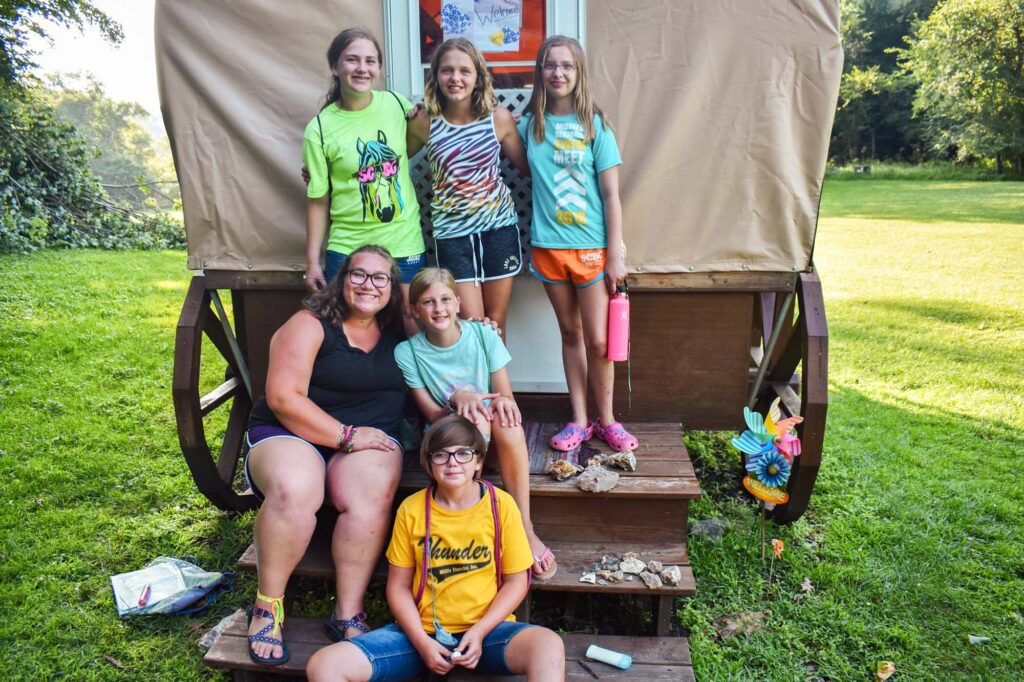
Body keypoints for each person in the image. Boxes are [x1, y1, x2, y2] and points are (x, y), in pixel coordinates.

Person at [243, 245, 408, 666]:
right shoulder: (310, 325)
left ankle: (347, 612)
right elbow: (283, 398)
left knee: (373, 490)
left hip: (366, 442)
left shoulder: (400, 331)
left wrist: (482, 328)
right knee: (297, 488)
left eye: (380, 277)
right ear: (342, 278)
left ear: (392, 287)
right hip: (290, 434)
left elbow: (450, 335)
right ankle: (268, 606)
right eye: (359, 274)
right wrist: (345, 435)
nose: (368, 284)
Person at [306, 415, 565, 681]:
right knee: (325, 665)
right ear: (429, 464)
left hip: (488, 635)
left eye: (464, 453)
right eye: (440, 455)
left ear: (478, 461)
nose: (452, 462)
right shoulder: (413, 509)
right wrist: (421, 642)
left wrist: (478, 632)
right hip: (422, 635)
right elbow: (398, 587)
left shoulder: (502, 505)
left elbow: (516, 582)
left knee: (547, 645)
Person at [395, 267, 557, 579]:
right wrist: (458, 398)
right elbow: (430, 414)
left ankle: (524, 525)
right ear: (414, 310)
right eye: (428, 302)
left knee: (504, 420)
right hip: (447, 445)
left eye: (445, 300)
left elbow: (505, 397)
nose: (438, 308)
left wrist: (492, 403)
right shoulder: (408, 352)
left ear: (458, 303)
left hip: (494, 445)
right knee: (474, 419)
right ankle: (477, 526)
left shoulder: (483, 335)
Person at [518, 35, 638, 454]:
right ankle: (580, 420)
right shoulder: (529, 125)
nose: (558, 73)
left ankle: (607, 421)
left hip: (591, 251)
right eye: (550, 65)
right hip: (547, 248)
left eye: (567, 66)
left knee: (600, 342)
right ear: (541, 72)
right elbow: (523, 171)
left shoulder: (596, 126)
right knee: (569, 333)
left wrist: (614, 254)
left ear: (579, 72)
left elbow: (610, 196)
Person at [406, 38, 529, 338]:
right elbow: (393, 161)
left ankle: (498, 386)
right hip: (453, 236)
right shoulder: (424, 123)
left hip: (498, 230)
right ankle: (478, 386)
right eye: (447, 70)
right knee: (472, 323)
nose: (456, 78)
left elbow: (529, 168)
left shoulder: (498, 120)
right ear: (435, 75)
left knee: (496, 320)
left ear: (478, 77)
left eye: (465, 70)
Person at [302, 29, 424, 297]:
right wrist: (312, 263)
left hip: (404, 242)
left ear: (379, 67)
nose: (362, 68)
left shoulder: (395, 104)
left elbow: (420, 137)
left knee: (410, 323)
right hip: (348, 247)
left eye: (370, 61)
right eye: (352, 60)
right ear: (335, 66)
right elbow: (318, 200)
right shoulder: (319, 130)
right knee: (348, 328)